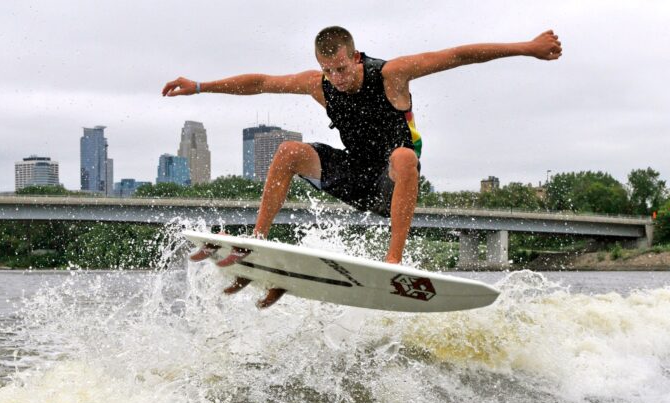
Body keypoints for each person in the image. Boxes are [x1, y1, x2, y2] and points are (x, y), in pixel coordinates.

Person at [163, 26, 562, 308]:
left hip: (393, 183)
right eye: (327, 71)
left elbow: (457, 56)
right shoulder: (318, 84)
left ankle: (393, 262)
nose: (335, 79)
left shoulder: (392, 74)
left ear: (354, 56)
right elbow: (262, 82)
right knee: (287, 151)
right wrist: (200, 86)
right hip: (354, 175)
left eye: (341, 68)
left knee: (405, 156)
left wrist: (527, 47)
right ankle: (258, 243)